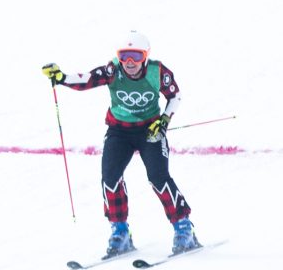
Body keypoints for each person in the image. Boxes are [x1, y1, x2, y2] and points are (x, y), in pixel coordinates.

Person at [42, 30, 201, 257]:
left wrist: (164, 121)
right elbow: (87, 79)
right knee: (110, 177)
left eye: (135, 56)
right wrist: (61, 77)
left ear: (145, 56)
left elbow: (175, 96)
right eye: (124, 56)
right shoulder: (113, 70)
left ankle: (184, 226)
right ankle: (120, 230)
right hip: (119, 132)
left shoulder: (158, 72)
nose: (129, 62)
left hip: (150, 131)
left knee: (158, 177)